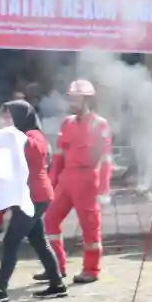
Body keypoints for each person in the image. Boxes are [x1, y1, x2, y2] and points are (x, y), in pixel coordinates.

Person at [0, 100, 64, 302]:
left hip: (34, 197)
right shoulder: (21, 136)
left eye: (10, 115)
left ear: (21, 117)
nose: (6, 120)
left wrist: (12, 137)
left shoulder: (33, 136)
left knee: (11, 241)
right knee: (39, 241)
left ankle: (0, 290)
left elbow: (32, 149)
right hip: (30, 196)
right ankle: (57, 284)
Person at [42, 79, 113, 286]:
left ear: (87, 99)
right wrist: (51, 183)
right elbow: (58, 157)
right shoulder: (67, 123)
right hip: (67, 177)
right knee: (50, 219)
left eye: (76, 98)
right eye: (70, 98)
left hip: (88, 179)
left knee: (90, 227)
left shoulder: (99, 125)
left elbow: (106, 159)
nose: (72, 102)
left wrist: (104, 189)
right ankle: (55, 265)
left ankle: (91, 269)